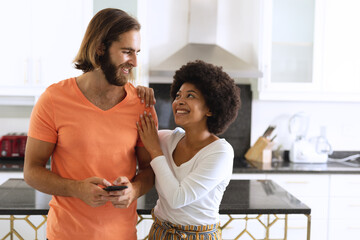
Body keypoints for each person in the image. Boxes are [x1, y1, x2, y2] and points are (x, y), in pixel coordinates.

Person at [24, 8, 157, 240]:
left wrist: (134, 189)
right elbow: (32, 171)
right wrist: (77, 189)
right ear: (100, 48)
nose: (134, 62)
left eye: (137, 53)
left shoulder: (142, 105)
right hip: (64, 235)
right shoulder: (54, 99)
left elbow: (149, 169)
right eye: (127, 52)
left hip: (123, 235)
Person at [137, 60, 241, 239]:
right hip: (160, 232)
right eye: (178, 96)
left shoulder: (220, 152)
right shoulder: (167, 139)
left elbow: (178, 198)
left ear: (210, 108)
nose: (180, 101)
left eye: (190, 96)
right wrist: (137, 96)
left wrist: (155, 151)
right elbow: (132, 137)